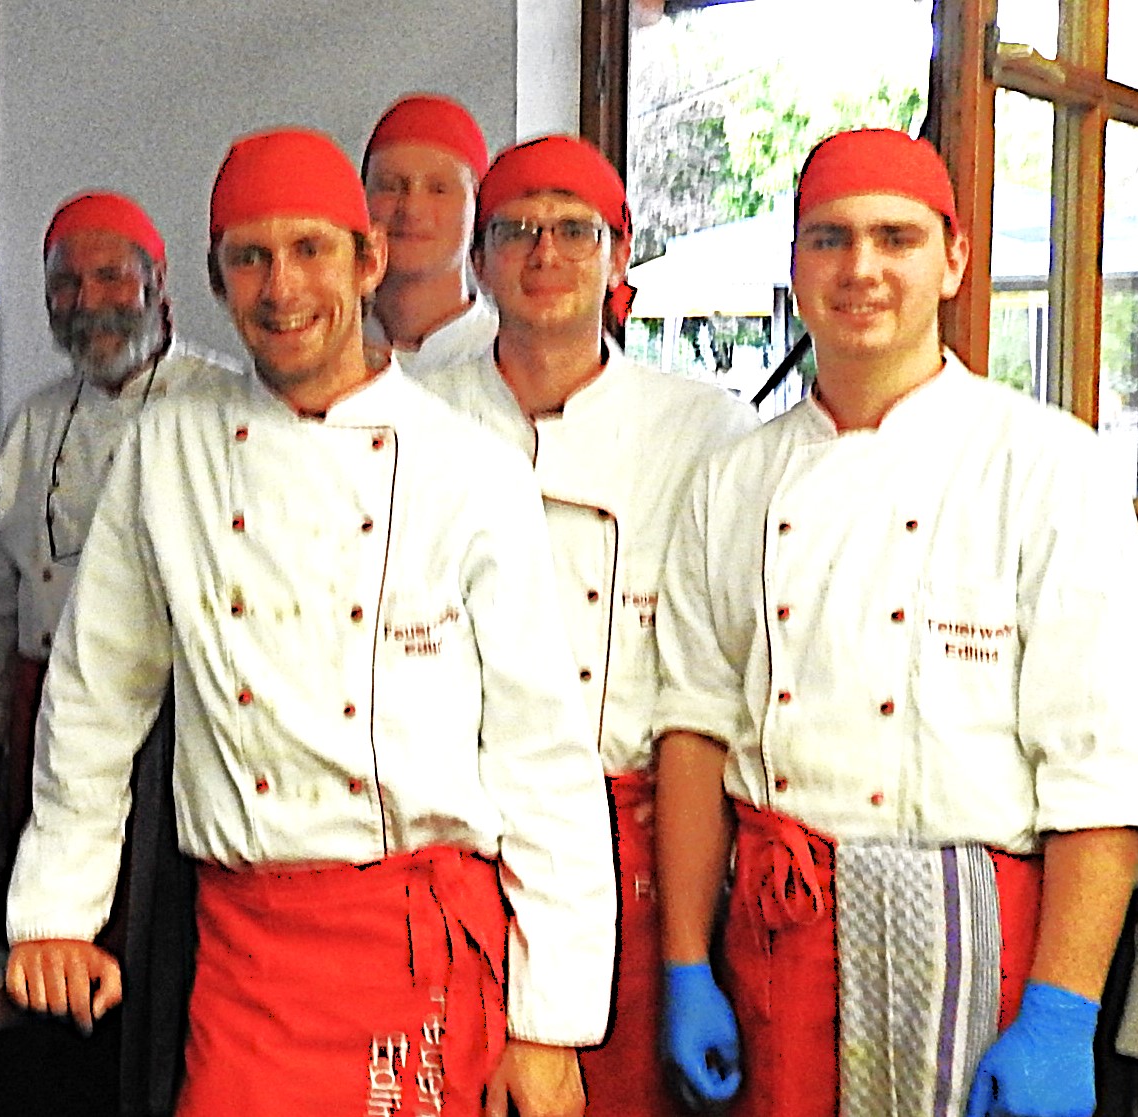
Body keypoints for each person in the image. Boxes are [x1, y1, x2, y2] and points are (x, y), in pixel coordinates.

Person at [2, 127, 613, 1117]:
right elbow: (95, 697)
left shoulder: (470, 467)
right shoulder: (168, 452)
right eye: (250, 258)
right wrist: (56, 911)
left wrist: (550, 1021)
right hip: (246, 950)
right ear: (214, 279)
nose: (281, 288)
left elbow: (542, 755)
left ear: (367, 260)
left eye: (309, 251)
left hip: (417, 939)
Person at [653, 128, 1138, 1117]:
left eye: (895, 237)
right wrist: (684, 960)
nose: (861, 268)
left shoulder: (1045, 465)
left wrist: (1062, 1009)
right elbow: (693, 725)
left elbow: (1100, 765)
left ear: (954, 259)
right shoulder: (733, 480)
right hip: (775, 947)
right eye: (829, 238)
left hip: (980, 947)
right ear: (796, 265)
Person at [418, 135, 756, 1117]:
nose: (545, 254)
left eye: (575, 231)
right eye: (516, 231)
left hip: (634, 840)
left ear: (619, 255)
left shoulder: (703, 429)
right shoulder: (417, 418)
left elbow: (727, 660)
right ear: (478, 261)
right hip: (454, 833)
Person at [0, 191, 238, 1116]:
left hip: (166, 726)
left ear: (160, 286)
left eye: (112, 276)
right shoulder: (35, 419)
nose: (90, 301)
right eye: (67, 284)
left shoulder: (218, 401)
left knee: (147, 964)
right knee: (40, 956)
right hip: (41, 710)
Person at [362, 94, 497, 378]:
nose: (411, 209)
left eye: (438, 189)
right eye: (390, 187)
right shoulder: (321, 353)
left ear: (477, 205)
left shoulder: (511, 360)